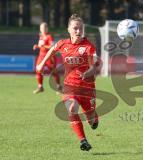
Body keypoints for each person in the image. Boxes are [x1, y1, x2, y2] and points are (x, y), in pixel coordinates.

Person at [36, 14, 99, 151]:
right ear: (69, 29)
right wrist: (41, 63)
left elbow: (94, 67)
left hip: (87, 88)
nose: (78, 31)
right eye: (75, 28)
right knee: (71, 109)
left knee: (91, 119)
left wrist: (87, 73)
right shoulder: (63, 44)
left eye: (80, 29)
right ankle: (83, 141)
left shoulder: (88, 47)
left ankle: (94, 119)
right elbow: (52, 49)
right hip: (70, 87)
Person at [33, 22, 62, 94]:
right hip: (41, 56)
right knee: (38, 70)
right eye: (42, 28)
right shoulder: (41, 36)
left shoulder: (49, 36)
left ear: (47, 28)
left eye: (44, 28)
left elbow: (51, 47)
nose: (43, 29)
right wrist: (37, 46)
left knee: (53, 72)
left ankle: (59, 87)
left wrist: (43, 46)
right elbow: (41, 46)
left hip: (49, 56)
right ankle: (40, 87)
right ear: (40, 29)